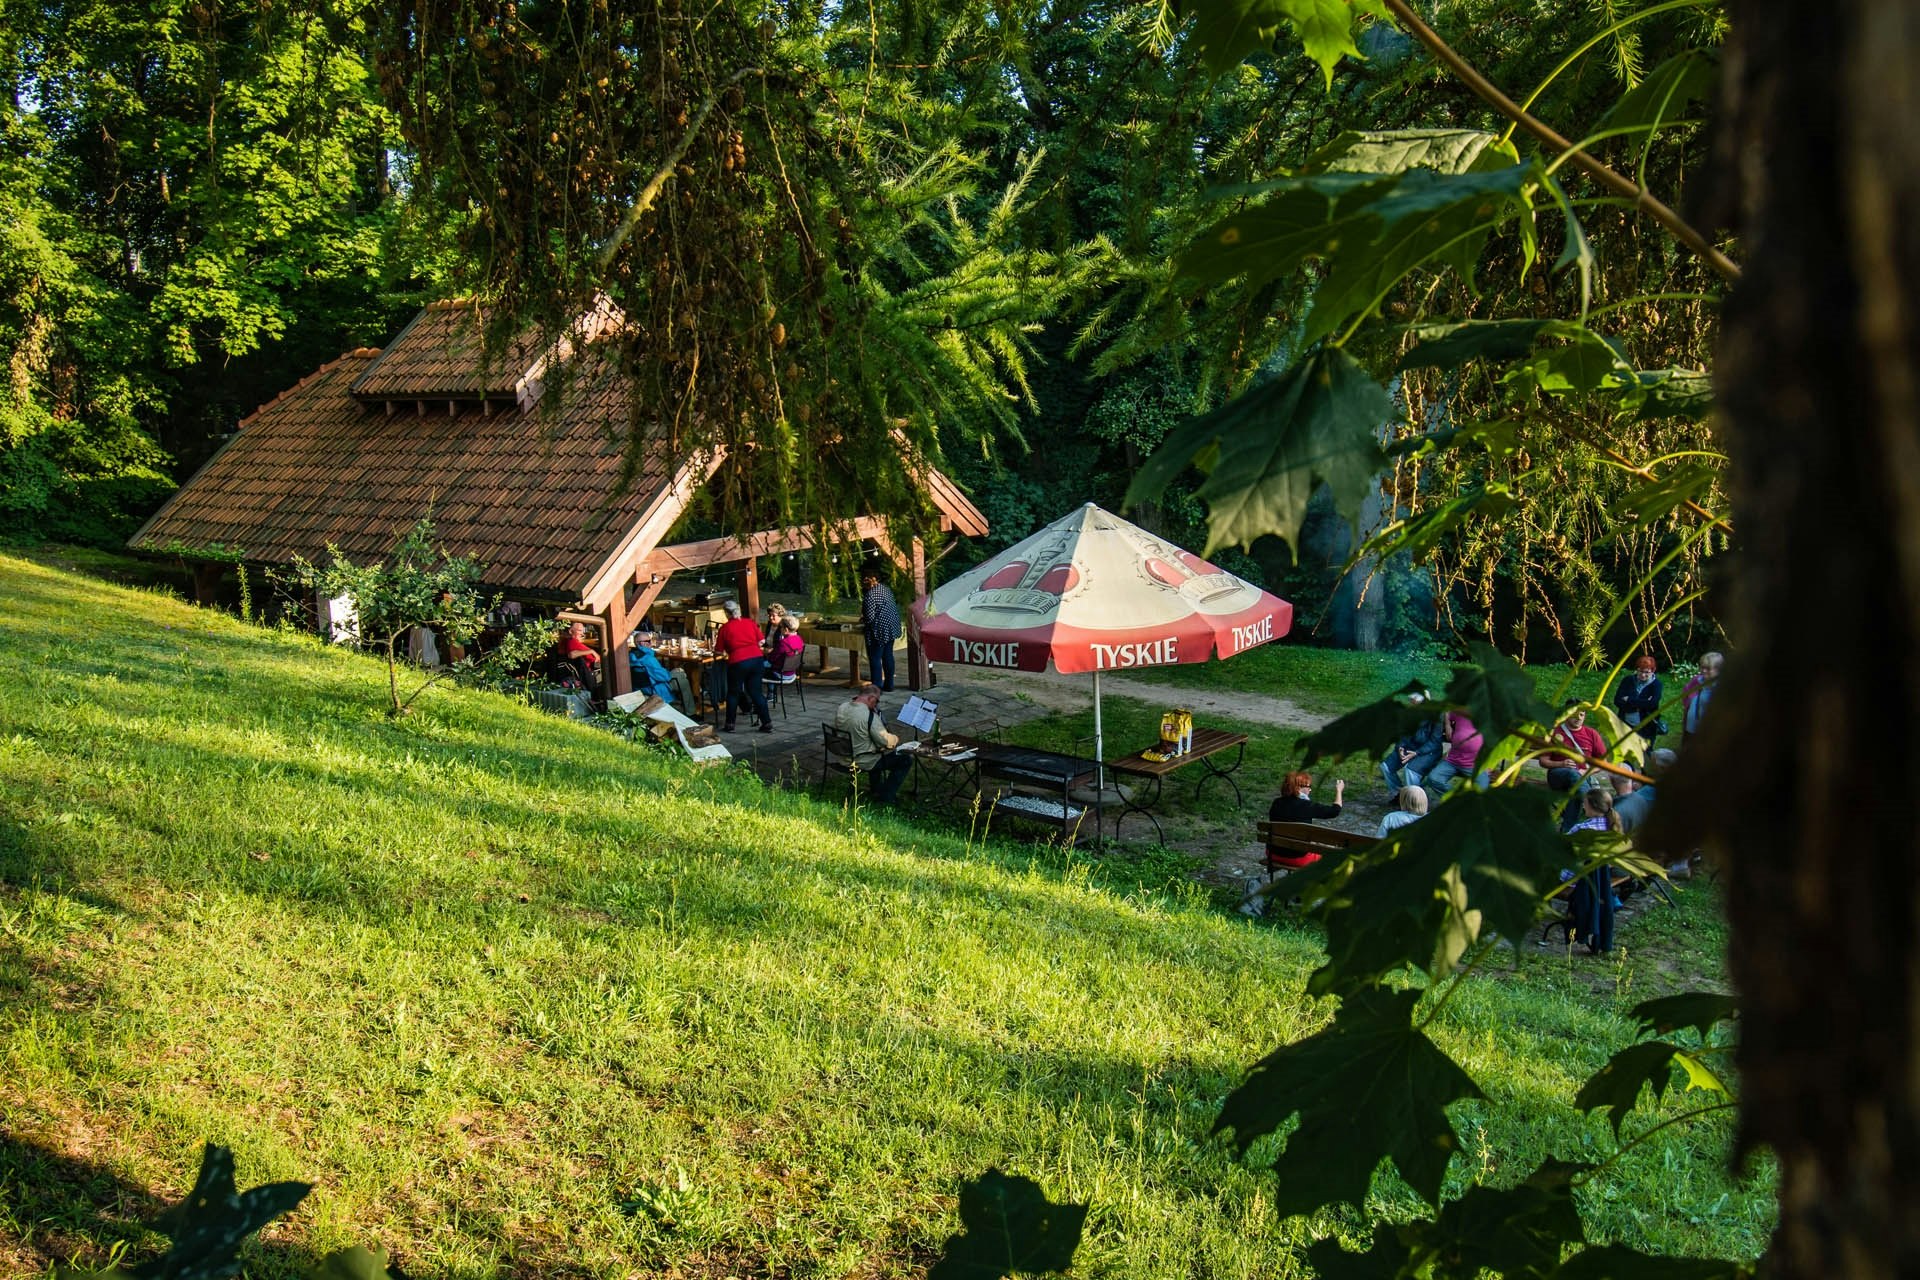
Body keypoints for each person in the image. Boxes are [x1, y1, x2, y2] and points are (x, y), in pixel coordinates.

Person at [1564, 788, 1624, 954]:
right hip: (1602, 880)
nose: (1583, 807)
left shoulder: (1582, 829)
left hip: (1580, 880)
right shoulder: (1613, 827)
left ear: (1591, 806)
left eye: (1584, 804)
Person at [835, 682, 911, 803]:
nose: (876, 705)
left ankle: (876, 788)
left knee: (874, 749)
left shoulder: (843, 707)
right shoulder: (869, 716)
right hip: (861, 760)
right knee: (905, 760)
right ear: (871, 698)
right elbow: (886, 742)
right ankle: (887, 796)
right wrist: (896, 738)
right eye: (877, 701)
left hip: (844, 756)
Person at [713, 600, 773, 732]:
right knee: (756, 692)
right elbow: (762, 641)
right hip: (756, 659)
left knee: (733, 692)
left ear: (726, 613)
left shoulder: (725, 628)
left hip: (738, 661)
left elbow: (718, 650)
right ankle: (767, 722)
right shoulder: (750, 623)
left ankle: (730, 724)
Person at [1378, 693, 1444, 793]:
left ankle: (1415, 800)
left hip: (1428, 752)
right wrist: (1400, 747)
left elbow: (1434, 742)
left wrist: (1417, 753)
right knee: (1386, 767)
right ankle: (1399, 795)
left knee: (1410, 771)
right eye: (1412, 703)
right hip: (1410, 747)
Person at [628, 631, 695, 709]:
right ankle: (690, 711)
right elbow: (664, 677)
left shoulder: (631, 656)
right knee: (683, 679)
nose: (651, 643)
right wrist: (667, 671)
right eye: (649, 641)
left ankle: (680, 701)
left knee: (679, 671)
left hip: (640, 688)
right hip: (655, 687)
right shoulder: (648, 659)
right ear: (642, 644)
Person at [861, 565, 901, 693]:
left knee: (875, 658)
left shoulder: (870, 595)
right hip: (891, 627)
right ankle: (889, 685)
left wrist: (863, 620)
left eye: (865, 580)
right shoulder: (885, 589)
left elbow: (869, 617)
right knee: (888, 655)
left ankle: (876, 687)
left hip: (878, 631)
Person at [1422, 711, 1484, 794]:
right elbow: (1447, 712)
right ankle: (1457, 798)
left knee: (1483, 790)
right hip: (1452, 761)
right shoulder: (1462, 711)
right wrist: (1448, 725)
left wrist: (1490, 763)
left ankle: (1459, 799)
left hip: (1476, 765)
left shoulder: (1486, 716)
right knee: (1433, 779)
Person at [1613, 655, 1666, 742]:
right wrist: (1642, 703)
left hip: (1646, 727)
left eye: (1646, 672)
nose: (1642, 675)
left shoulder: (1656, 685)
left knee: (1645, 752)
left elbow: (1652, 704)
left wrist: (1629, 700)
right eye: (1640, 671)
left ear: (1653, 671)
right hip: (1625, 724)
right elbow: (1617, 701)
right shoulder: (1628, 680)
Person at [1268, 771, 1345, 823]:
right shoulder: (1307, 806)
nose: (1310, 790)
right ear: (1298, 788)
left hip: (1276, 846)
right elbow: (1334, 811)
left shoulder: (1277, 803)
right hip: (1299, 847)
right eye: (1308, 787)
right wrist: (1339, 790)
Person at [1682, 650, 1722, 747]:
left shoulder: (1721, 687)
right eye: (1702, 667)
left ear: (1718, 670)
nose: (1703, 671)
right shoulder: (1697, 680)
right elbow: (1686, 692)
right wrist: (1688, 704)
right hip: (1691, 725)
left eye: (1708, 668)